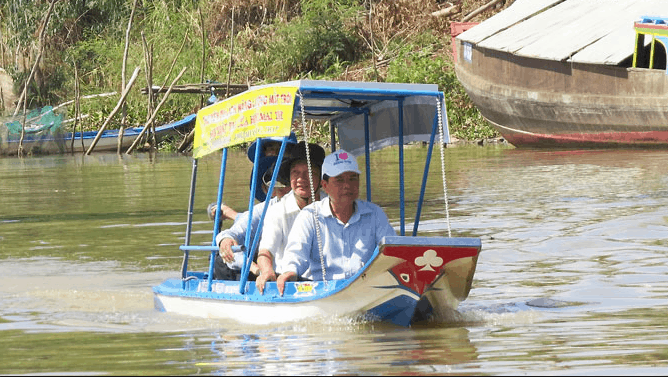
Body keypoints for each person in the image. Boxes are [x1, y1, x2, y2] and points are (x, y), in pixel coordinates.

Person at [276, 149, 396, 295]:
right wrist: (290, 271)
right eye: (339, 180)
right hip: (324, 292)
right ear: (324, 185)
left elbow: (393, 252)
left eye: (353, 178)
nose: (347, 185)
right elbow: (296, 253)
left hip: (365, 289)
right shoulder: (309, 215)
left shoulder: (375, 213)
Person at [254, 141, 326, 293]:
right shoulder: (278, 211)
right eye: (295, 173)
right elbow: (265, 252)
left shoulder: (332, 205)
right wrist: (266, 271)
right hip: (290, 284)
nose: (301, 179)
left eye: (310, 173)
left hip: (329, 281)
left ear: (321, 178)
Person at [213, 155, 290, 280]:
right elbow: (233, 232)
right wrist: (257, 269)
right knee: (221, 259)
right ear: (270, 189)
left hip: (288, 267)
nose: (287, 191)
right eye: (280, 187)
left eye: (288, 185)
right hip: (263, 267)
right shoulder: (266, 209)